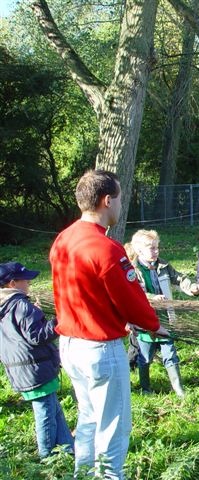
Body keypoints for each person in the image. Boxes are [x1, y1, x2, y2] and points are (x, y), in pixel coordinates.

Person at [49, 170, 168, 480]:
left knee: (89, 418)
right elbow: (131, 300)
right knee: (113, 426)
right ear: (107, 200)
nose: (120, 204)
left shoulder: (63, 239)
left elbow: (90, 292)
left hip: (70, 345)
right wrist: (153, 324)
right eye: (119, 198)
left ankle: (83, 473)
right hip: (100, 349)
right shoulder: (106, 248)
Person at [0, 262, 74, 458]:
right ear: (12, 283)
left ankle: (68, 448)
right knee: (46, 414)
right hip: (35, 368)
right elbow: (37, 336)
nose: (29, 283)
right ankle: (47, 458)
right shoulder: (21, 305)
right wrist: (61, 319)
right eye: (25, 280)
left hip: (20, 369)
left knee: (54, 409)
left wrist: (36, 315)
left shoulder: (6, 306)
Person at [129, 229, 194, 397]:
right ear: (139, 250)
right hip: (144, 322)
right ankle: (145, 389)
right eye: (152, 248)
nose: (156, 251)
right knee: (145, 357)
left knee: (170, 354)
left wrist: (193, 287)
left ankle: (178, 389)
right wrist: (152, 297)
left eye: (157, 247)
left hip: (165, 319)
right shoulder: (133, 270)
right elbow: (133, 293)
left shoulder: (163, 266)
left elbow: (179, 278)